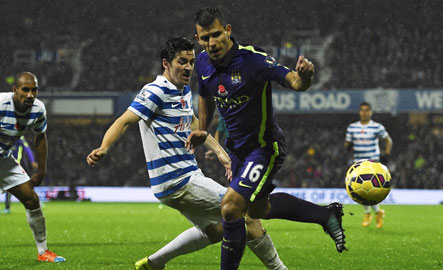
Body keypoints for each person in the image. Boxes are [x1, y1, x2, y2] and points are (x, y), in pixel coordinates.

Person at [86, 37, 287, 270]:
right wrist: (104, 147)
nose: (189, 67)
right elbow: (125, 120)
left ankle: (154, 264)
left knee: (216, 230)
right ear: (166, 63)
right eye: (182, 61)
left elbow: (193, 123)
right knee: (245, 211)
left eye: (191, 61)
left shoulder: (180, 90)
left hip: (180, 180)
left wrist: (222, 155)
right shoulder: (155, 90)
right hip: (179, 179)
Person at [187, 7, 347, 270]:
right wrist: (203, 129)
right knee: (257, 211)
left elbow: (294, 81)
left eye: (216, 34)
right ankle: (325, 214)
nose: (211, 43)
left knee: (230, 209)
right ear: (198, 39)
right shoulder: (203, 63)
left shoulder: (253, 60)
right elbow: (205, 95)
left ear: (228, 31)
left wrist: (305, 77)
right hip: (237, 151)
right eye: (205, 38)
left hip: (264, 149)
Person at [0, 72, 65, 262]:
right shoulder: (1, 104)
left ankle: (43, 252)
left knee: (31, 198)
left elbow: (40, 136)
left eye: (34, 90)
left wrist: (41, 170)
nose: (30, 94)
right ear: (15, 90)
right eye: (25, 90)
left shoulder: (38, 109)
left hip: (4, 159)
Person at [344, 102, 392, 228]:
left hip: (372, 163)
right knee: (362, 189)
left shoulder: (377, 127)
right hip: (358, 163)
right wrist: (347, 147)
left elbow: (388, 140)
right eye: (362, 110)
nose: (364, 113)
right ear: (359, 112)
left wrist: (386, 155)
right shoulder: (352, 128)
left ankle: (368, 213)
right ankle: (377, 212)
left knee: (368, 189)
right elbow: (347, 143)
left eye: (367, 110)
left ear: (370, 112)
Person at [2, 136, 38, 214]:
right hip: (5, 164)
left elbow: (27, 149)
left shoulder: (19, 137)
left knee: (17, 184)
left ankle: (35, 201)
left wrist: (32, 161)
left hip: (15, 164)